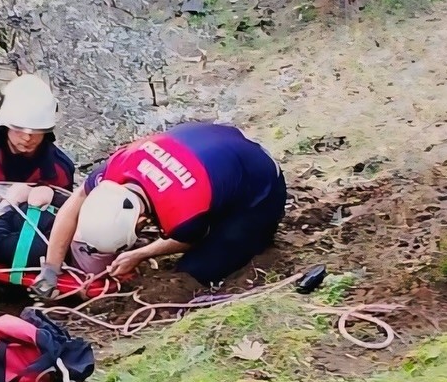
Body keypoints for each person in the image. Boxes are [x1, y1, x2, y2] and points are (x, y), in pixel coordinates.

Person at [32, 122, 287, 297]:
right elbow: (74, 203)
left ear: (142, 219)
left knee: (195, 271)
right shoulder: (117, 166)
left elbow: (188, 240)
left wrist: (140, 254)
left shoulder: (183, 210)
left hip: (261, 188)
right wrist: (51, 269)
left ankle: (255, 234)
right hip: (217, 145)